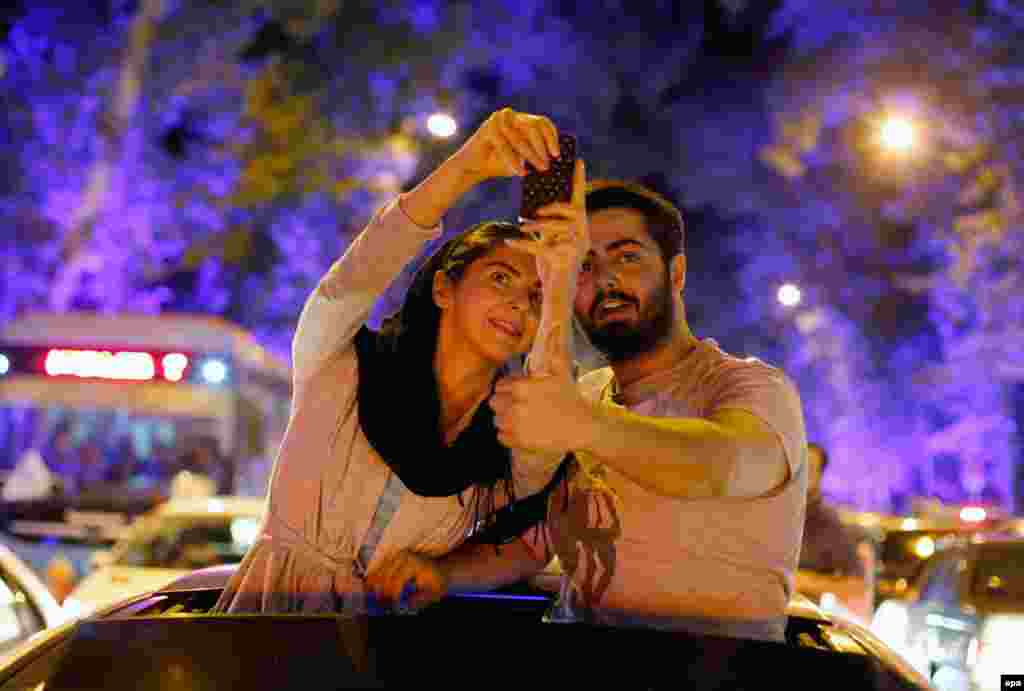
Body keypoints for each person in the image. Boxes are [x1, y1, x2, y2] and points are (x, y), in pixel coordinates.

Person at [370, 179, 808, 643]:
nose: (605, 280)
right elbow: (535, 542)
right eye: (583, 265)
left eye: (627, 257)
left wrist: (580, 423)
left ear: (676, 272)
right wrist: (442, 574)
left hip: (717, 668)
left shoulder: (751, 388)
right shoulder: (587, 394)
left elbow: (727, 464)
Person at [212, 108, 584, 614]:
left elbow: (553, 416)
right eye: (500, 278)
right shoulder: (341, 364)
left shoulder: (507, 439)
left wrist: (562, 280)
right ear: (443, 288)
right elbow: (358, 273)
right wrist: (468, 166)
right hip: (270, 625)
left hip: (386, 645)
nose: (520, 303)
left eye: (536, 295)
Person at [795, 442, 874, 623]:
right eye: (799, 466)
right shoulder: (773, 510)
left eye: (810, 468)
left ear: (819, 475)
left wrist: (805, 581)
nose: (802, 474)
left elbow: (857, 585)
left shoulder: (827, 523)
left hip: (800, 621)